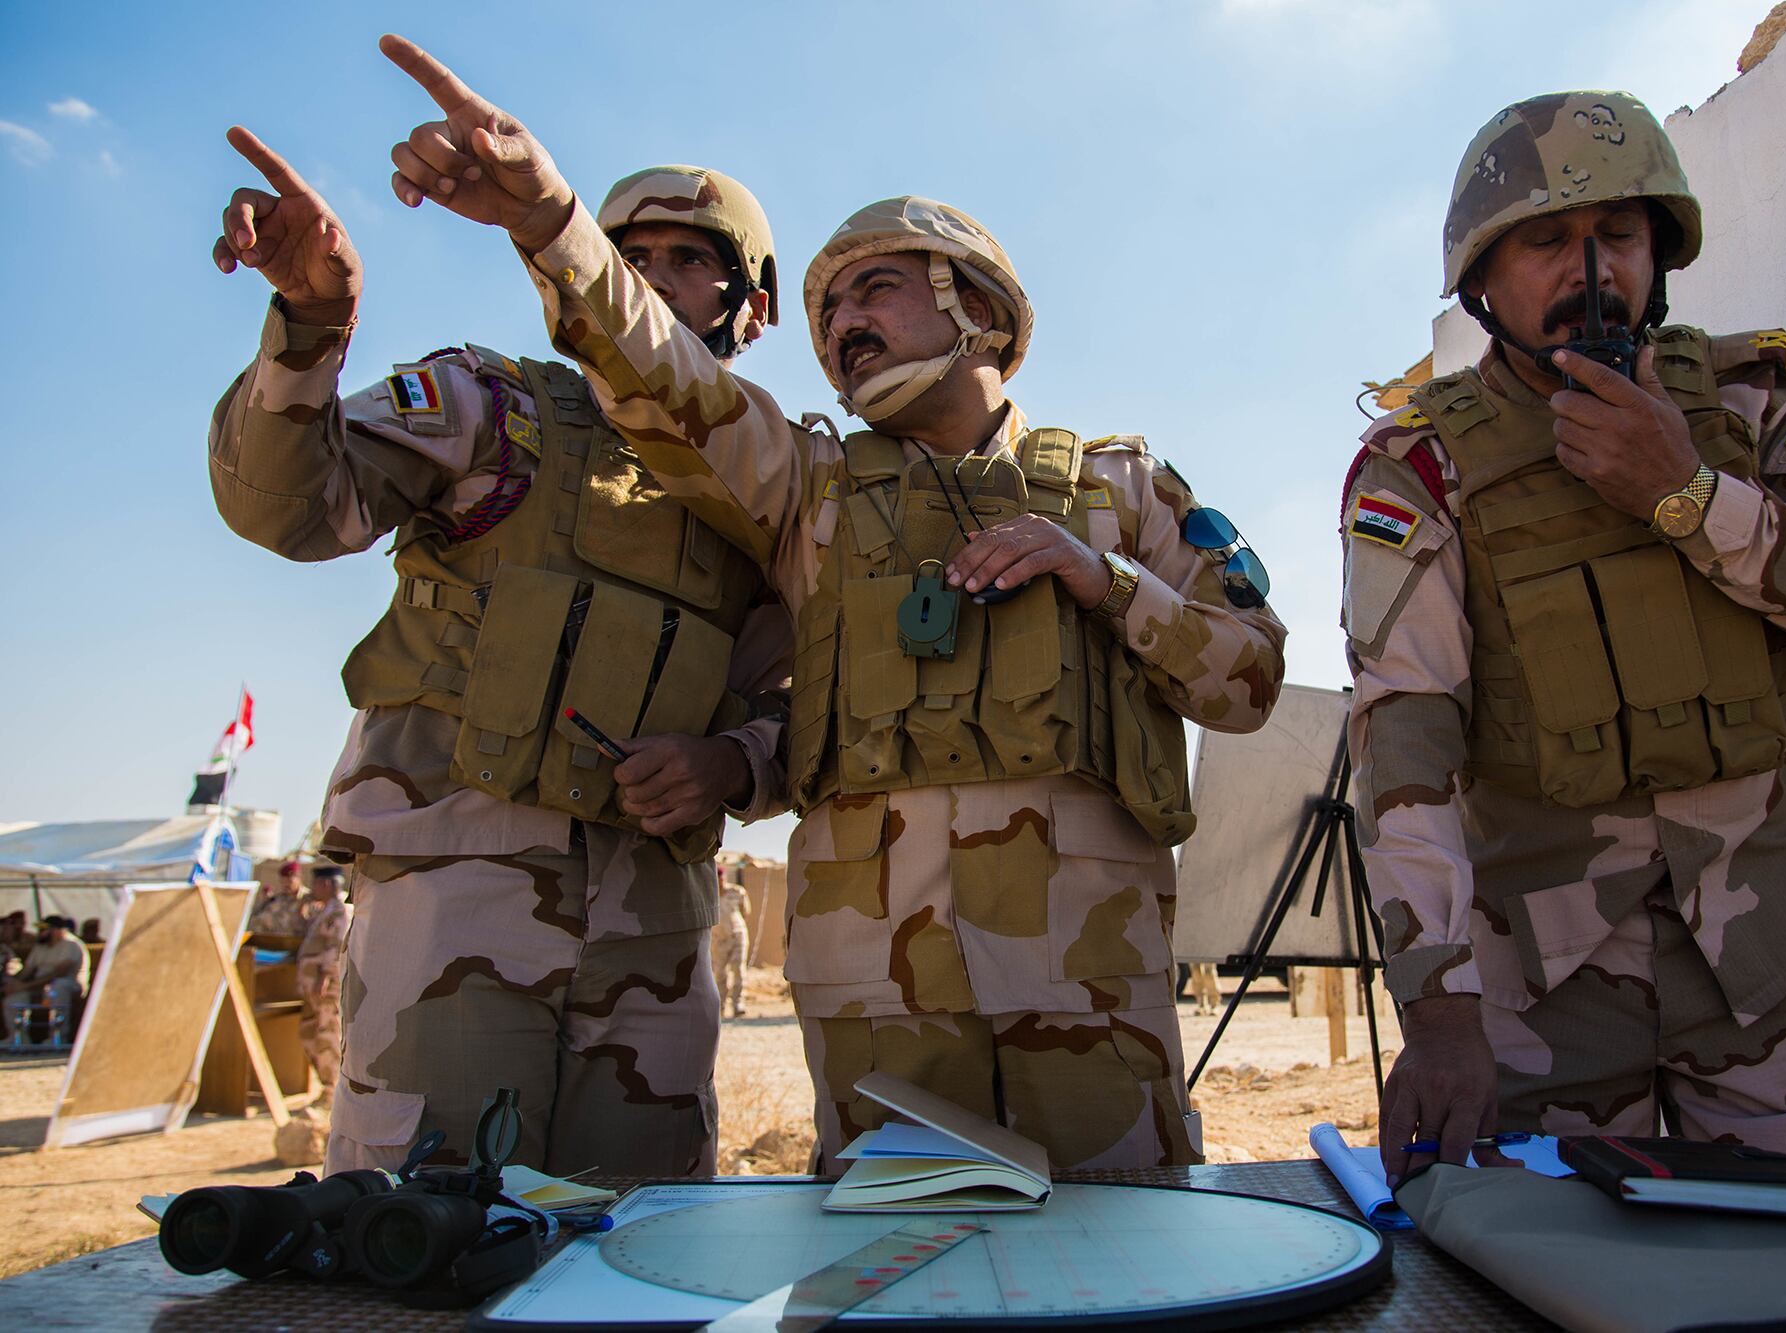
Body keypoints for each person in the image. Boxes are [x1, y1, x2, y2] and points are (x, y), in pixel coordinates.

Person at [375, 36, 1287, 1170]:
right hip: (875, 990)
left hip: (1087, 976)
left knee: (1123, 1255)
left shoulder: (1124, 490)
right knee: (893, 1264)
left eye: (878, 288)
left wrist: (1099, 578)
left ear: (982, 313)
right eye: (827, 308)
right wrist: (551, 222)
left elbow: (1249, 684)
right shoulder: (802, 488)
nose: (843, 322)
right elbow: (666, 375)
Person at [1341, 91, 1786, 1199]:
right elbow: (1403, 727)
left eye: (1616, 236)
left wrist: (1689, 494)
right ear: (1479, 277)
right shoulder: (1418, 465)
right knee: (1537, 1279)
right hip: (1538, 975)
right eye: (1545, 241)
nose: (1589, 269)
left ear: (1658, 254)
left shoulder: (1761, 399)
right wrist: (1436, 1002)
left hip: (1773, 951)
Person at [208, 121, 791, 1177]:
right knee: (428, 1233)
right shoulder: (491, 406)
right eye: (627, 257)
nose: (649, 280)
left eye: (689, 260)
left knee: (643, 1242)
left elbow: (805, 700)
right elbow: (291, 508)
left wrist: (734, 761)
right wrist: (309, 321)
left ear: (747, 309)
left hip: (654, 927)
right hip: (452, 898)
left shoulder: (768, 487)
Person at [296, 865, 350, 1099]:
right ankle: (326, 1084)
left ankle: (332, 1090)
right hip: (313, 985)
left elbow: (337, 948)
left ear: (326, 884)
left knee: (328, 1033)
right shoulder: (326, 910)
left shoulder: (340, 911)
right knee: (309, 1032)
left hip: (325, 985)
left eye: (316, 884)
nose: (313, 889)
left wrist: (326, 977)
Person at [3, 917, 90, 1042]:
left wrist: (26, 986)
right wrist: (15, 984)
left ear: (57, 931)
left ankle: (58, 1036)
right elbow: (27, 971)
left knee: (58, 987)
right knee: (15, 995)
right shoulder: (40, 946)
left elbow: (59, 973)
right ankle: (18, 1037)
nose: (40, 932)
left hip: (70, 986)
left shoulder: (71, 945)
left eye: (44, 929)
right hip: (40, 987)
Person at [714, 869, 751, 1019]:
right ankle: (720, 1005)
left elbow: (746, 912)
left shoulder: (737, 892)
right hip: (717, 939)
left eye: (721, 878)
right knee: (720, 973)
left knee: (738, 968)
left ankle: (738, 1003)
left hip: (737, 936)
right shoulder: (709, 894)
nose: (720, 881)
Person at [248, 860, 310, 936]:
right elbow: (260, 920)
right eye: (283, 882)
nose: (286, 885)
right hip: (277, 942)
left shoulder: (309, 898)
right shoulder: (278, 899)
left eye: (289, 881)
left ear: (299, 878)